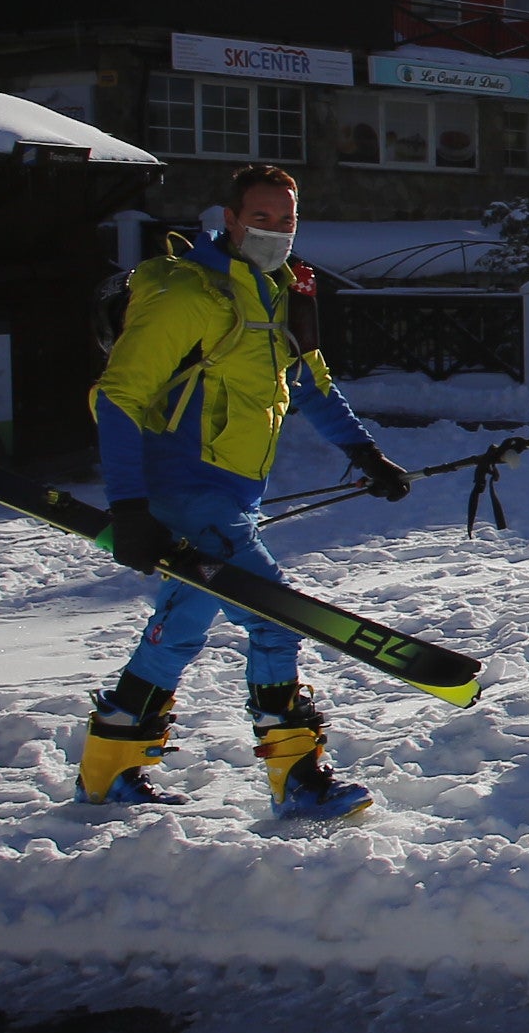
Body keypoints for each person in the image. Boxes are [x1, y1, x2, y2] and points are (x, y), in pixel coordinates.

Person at [74, 162, 411, 815]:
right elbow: (119, 398)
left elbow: (311, 386)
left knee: (180, 624)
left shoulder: (280, 295)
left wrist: (365, 454)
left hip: (233, 494)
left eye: (286, 221)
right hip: (182, 488)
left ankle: (107, 766)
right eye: (261, 220)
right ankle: (298, 777)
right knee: (276, 618)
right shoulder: (191, 296)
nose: (276, 233)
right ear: (228, 220)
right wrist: (129, 507)